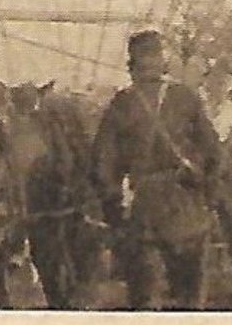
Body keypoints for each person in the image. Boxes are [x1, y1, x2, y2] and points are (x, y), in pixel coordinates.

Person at [92, 29, 221, 310]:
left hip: (145, 217)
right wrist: (208, 198)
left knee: (146, 303)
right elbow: (214, 152)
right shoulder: (186, 97)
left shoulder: (121, 104)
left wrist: (115, 217)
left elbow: (102, 168)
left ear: (131, 67)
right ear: (162, 63)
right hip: (188, 214)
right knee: (191, 303)